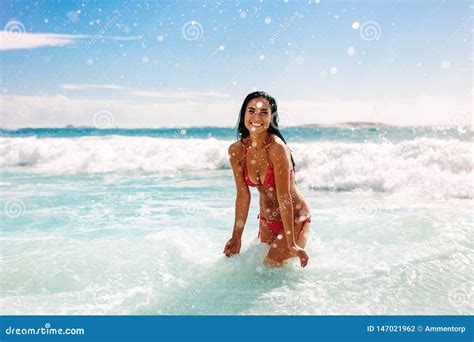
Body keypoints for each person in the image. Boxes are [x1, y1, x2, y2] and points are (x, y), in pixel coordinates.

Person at [223, 91, 312, 268]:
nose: (257, 117)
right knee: (257, 270)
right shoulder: (237, 151)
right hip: (266, 220)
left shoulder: (276, 148)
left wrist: (291, 241)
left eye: (264, 112)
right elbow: (243, 196)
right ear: (244, 115)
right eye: (251, 111)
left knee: (269, 266)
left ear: (272, 118)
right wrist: (236, 237)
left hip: (294, 219)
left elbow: (284, 196)